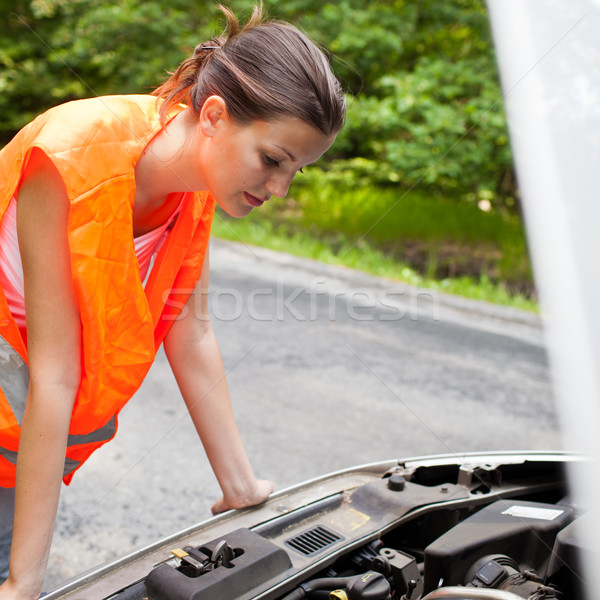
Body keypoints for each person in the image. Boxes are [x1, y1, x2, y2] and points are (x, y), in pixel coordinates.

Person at [0, 3, 345, 597]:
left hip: (20, 442)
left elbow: (192, 332)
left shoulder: (199, 187)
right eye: (273, 161)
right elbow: (55, 374)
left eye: (298, 172)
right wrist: (24, 586)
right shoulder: (68, 158)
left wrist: (239, 484)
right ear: (213, 115)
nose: (280, 190)